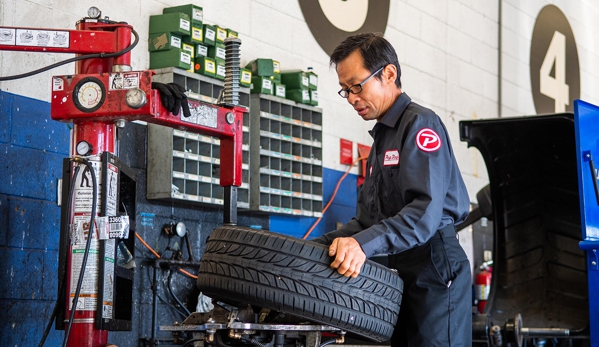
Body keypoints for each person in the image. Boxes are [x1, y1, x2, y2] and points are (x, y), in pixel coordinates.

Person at [311, 32, 472, 346]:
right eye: (345, 91)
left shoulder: (421, 125)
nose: (353, 98)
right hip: (395, 274)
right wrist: (304, 251)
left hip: (435, 270)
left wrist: (362, 245)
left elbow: (422, 215)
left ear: (389, 73)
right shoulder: (380, 143)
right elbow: (366, 222)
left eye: (357, 86)